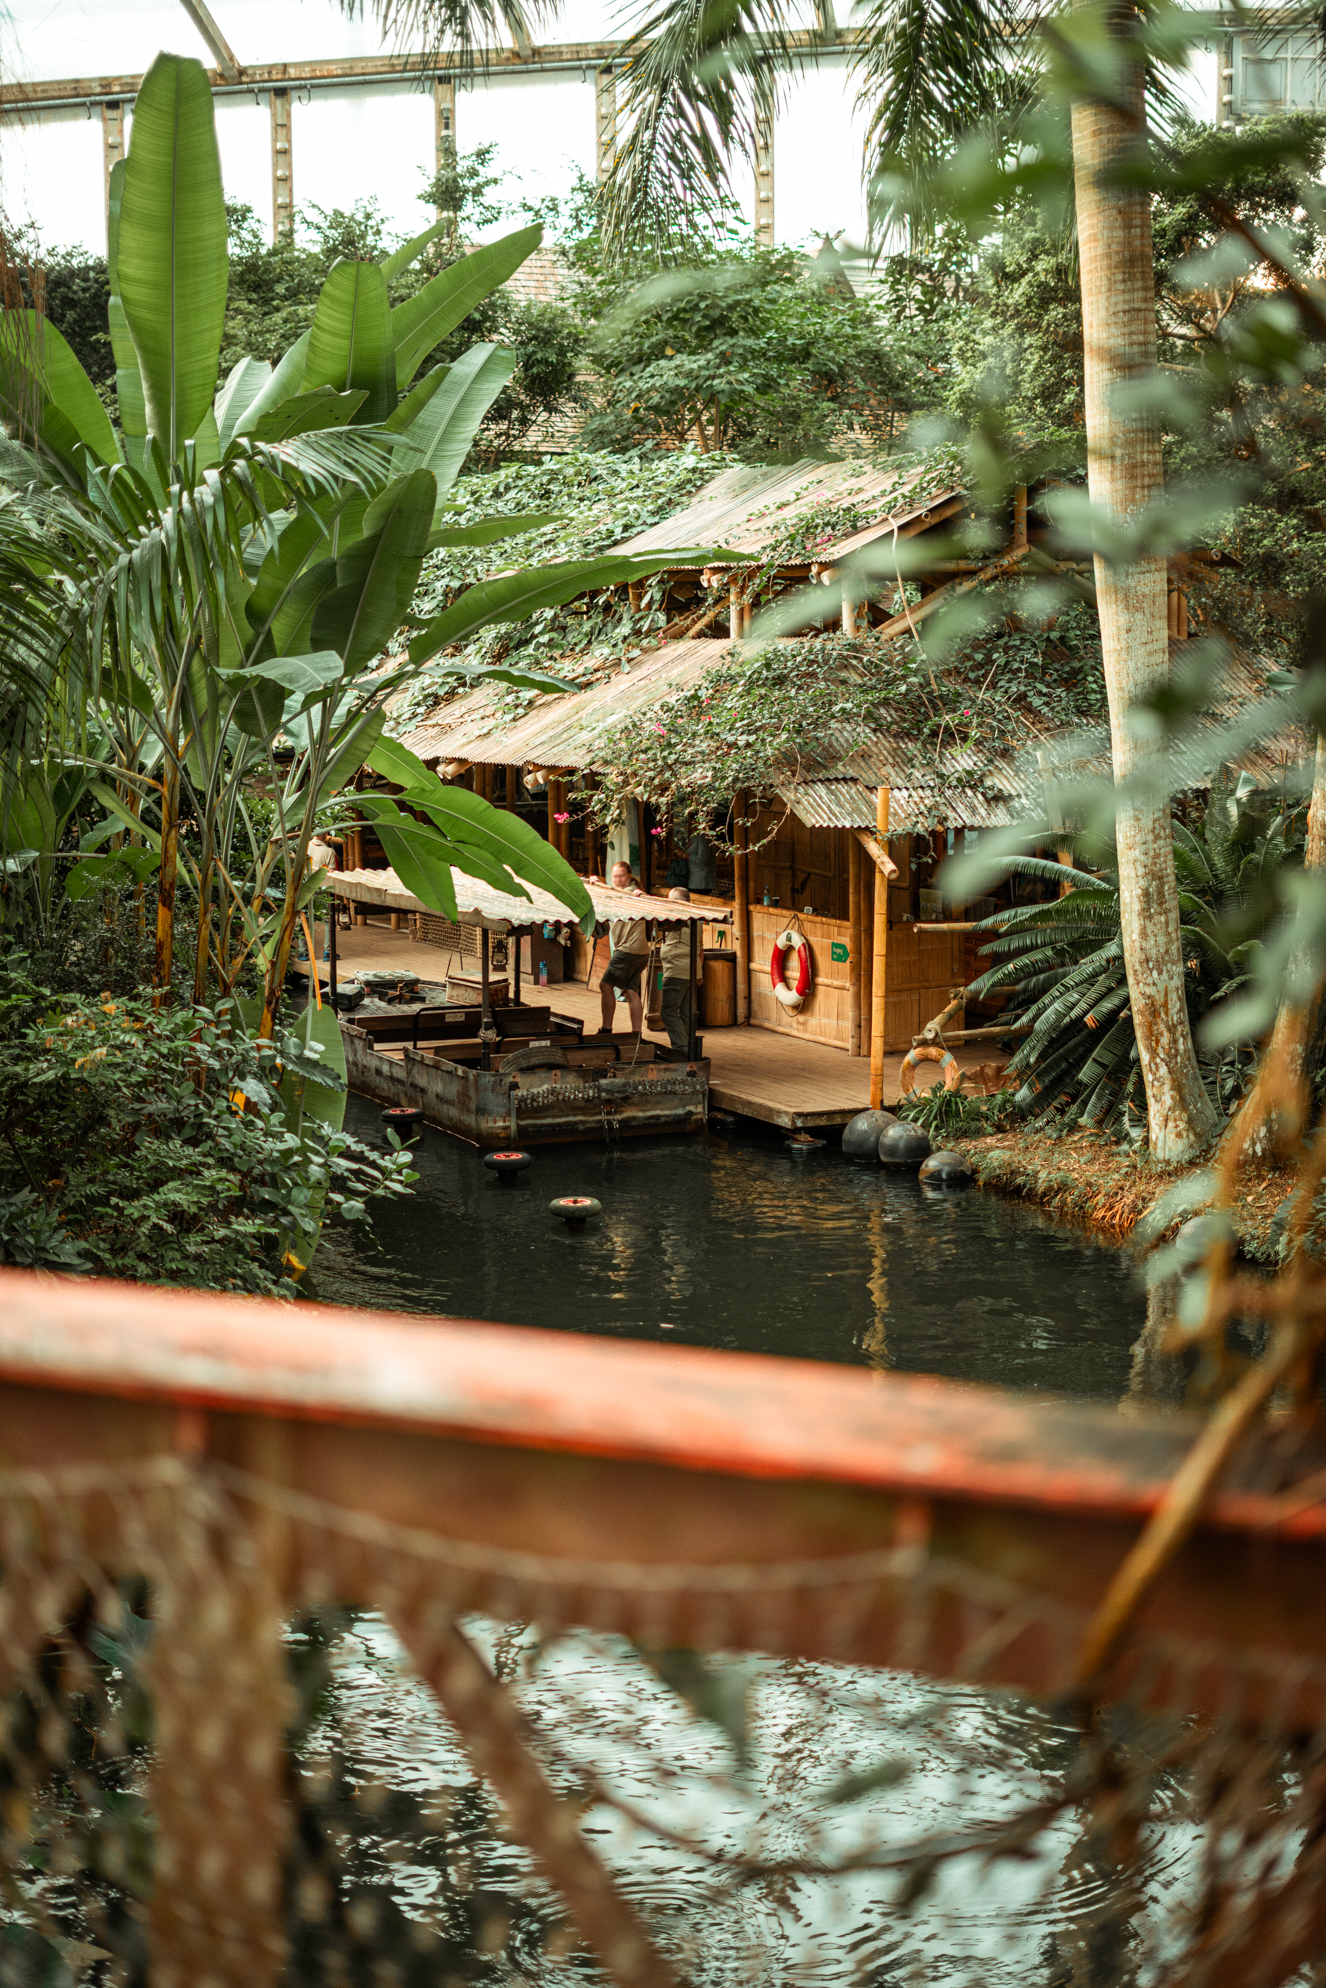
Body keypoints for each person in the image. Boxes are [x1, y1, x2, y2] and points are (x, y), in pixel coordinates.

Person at [599, 860, 648, 1034]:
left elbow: (644, 900)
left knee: (605, 985)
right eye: (615, 876)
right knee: (630, 991)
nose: (618, 879)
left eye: (621, 876)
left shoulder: (632, 893)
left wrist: (597, 884)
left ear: (629, 876)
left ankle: (606, 1029)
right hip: (640, 951)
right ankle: (636, 1034)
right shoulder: (620, 893)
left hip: (629, 950)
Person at [658, 887, 700, 1055]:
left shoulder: (678, 916)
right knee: (685, 1012)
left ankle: (682, 1048)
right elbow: (700, 948)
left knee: (668, 1011)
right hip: (691, 970)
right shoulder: (696, 917)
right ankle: (689, 1048)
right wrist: (699, 971)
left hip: (676, 969)